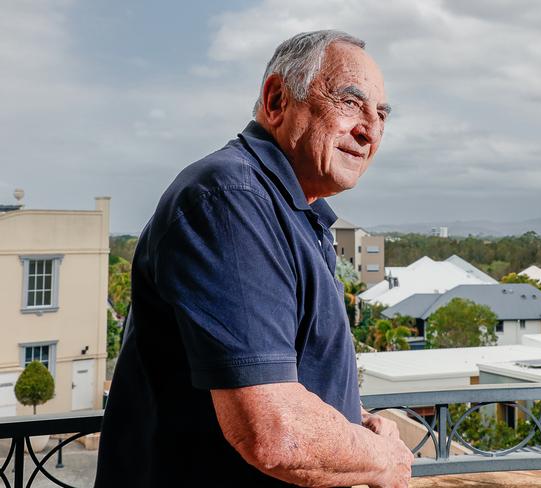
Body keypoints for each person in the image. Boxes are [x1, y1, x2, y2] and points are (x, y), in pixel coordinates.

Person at [95, 30, 413, 487]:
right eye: (350, 103)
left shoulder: (292, 212)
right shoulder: (230, 199)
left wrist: (351, 421)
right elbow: (275, 432)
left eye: (381, 114)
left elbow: (277, 375)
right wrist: (382, 458)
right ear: (277, 99)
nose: (370, 130)